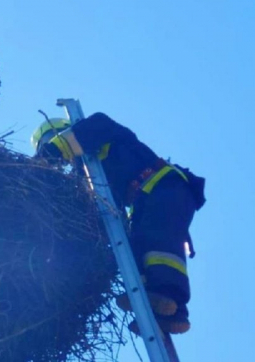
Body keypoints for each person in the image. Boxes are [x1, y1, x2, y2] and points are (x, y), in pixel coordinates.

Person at [32, 113, 206, 334]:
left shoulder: (96, 129)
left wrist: (44, 157)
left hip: (163, 186)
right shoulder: (88, 172)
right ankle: (168, 315)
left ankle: (166, 294)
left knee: (159, 240)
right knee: (140, 247)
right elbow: (105, 210)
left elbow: (88, 131)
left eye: (52, 142)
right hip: (146, 199)